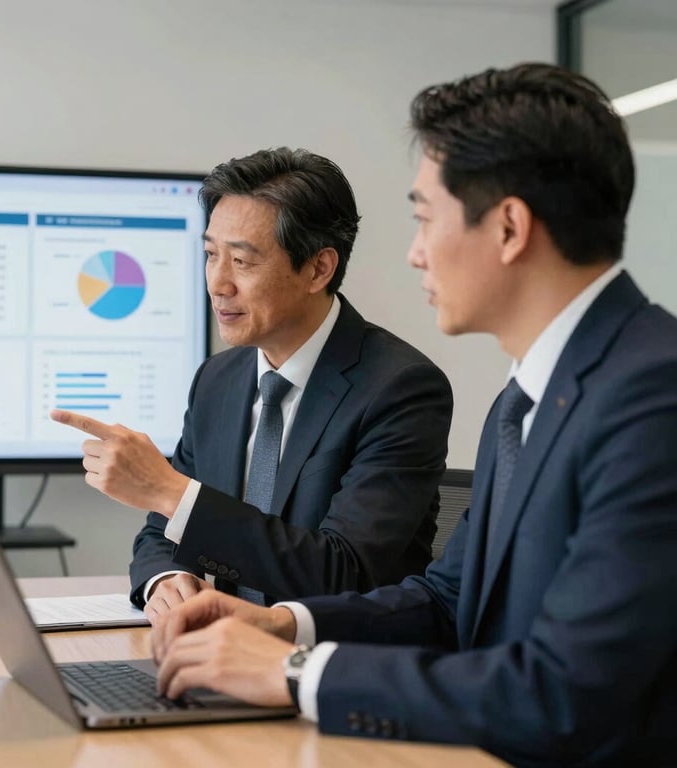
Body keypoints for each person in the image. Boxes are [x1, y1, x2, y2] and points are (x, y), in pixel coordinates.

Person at [148, 64, 677, 767]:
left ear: (510, 227)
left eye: (426, 218)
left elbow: (565, 693)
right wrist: (282, 625)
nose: (414, 253)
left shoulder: (653, 397)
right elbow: (449, 601)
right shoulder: (521, 404)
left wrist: (297, 675)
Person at [51, 147, 453, 621]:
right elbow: (161, 533)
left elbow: (344, 570)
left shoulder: (399, 388)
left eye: (241, 262)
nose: (218, 283)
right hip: (212, 656)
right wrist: (165, 579)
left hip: (326, 667)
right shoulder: (217, 381)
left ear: (318, 269)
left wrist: (170, 491)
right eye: (210, 255)